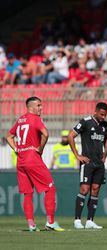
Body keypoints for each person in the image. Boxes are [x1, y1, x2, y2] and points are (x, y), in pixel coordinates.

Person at [6, 96, 64, 232]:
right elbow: (45, 133)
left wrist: (16, 149)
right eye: (38, 105)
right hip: (32, 158)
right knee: (50, 188)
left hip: (20, 159)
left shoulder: (20, 120)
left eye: (41, 105)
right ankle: (50, 222)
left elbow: (8, 136)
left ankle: (31, 225)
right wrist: (40, 148)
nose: (41, 108)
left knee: (27, 193)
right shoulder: (35, 118)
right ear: (30, 107)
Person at [68, 102, 107, 229]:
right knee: (84, 190)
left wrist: (105, 153)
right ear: (96, 111)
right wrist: (77, 155)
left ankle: (90, 220)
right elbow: (71, 136)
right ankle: (77, 220)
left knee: (95, 190)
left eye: (105, 115)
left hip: (99, 164)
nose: (103, 117)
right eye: (101, 114)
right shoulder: (85, 122)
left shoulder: (104, 125)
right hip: (87, 163)